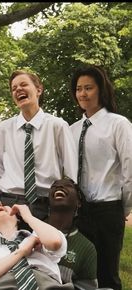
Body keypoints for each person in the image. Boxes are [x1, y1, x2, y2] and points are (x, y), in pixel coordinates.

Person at [70, 64, 132, 290]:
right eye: (78, 89)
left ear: (100, 91)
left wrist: (123, 208)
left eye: (88, 88)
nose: (83, 94)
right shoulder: (72, 129)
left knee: (107, 275)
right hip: (78, 212)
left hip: (108, 209)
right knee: (80, 275)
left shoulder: (118, 124)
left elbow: (129, 168)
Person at [0, 70, 78, 223]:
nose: (18, 90)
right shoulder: (4, 128)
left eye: (23, 84)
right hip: (8, 203)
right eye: (14, 88)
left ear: (38, 90)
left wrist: (67, 208)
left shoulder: (58, 126)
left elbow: (71, 173)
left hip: (46, 205)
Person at [0, 204, 74, 290]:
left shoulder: (38, 235)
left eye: (5, 205)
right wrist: (21, 252)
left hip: (46, 285)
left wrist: (28, 216)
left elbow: (55, 242)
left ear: (18, 217)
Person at [49, 178, 98, 290]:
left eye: (67, 185)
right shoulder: (31, 231)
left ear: (78, 202)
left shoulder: (87, 248)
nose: (59, 187)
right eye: (54, 185)